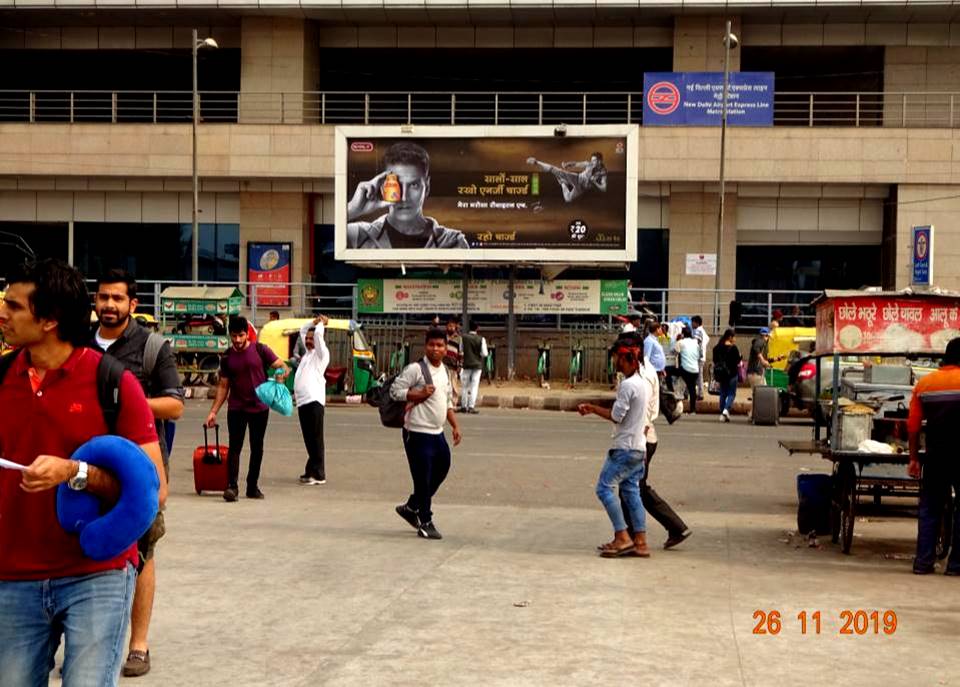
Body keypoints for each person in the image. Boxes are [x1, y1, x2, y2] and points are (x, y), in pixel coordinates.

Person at [0, 259, 165, 686]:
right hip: (13, 576)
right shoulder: (1, 378)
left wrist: (76, 473)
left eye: (14, 306)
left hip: (97, 574)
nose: (3, 314)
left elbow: (153, 490)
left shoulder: (111, 382)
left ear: (50, 320)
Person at [91, 269, 185, 679]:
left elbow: (175, 406)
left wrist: (127, 400)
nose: (109, 305)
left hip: (139, 466)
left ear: (133, 305)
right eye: (103, 297)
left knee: (142, 553)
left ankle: (138, 645)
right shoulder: (77, 343)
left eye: (117, 298)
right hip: (83, 463)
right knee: (79, 547)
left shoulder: (152, 347)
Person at [578, 335, 651, 558]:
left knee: (604, 488)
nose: (615, 363)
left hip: (625, 448)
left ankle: (623, 536)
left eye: (617, 358)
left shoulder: (628, 385)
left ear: (627, 358)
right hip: (639, 447)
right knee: (631, 491)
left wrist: (591, 408)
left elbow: (616, 416)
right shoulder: (643, 382)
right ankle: (640, 541)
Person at [618, 333, 691, 549]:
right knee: (637, 487)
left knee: (629, 489)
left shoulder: (644, 375)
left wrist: (636, 441)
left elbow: (646, 412)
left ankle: (631, 537)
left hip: (642, 438)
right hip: (642, 438)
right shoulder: (641, 372)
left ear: (636, 351)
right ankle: (675, 527)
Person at [205, 316, 289, 502]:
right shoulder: (226, 357)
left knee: (257, 448)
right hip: (236, 408)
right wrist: (213, 412)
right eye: (233, 336)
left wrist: (280, 376)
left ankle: (252, 486)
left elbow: (283, 366)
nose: (237, 340)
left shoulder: (261, 350)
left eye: (241, 335)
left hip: (259, 408)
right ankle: (232, 487)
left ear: (247, 334)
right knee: (235, 447)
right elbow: (223, 386)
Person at [391, 328, 463, 540]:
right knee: (423, 478)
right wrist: (418, 393)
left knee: (443, 467)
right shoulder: (416, 369)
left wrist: (455, 425)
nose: (435, 349)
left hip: (437, 433)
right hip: (417, 432)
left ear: (446, 348)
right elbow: (395, 391)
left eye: (440, 345)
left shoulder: (445, 372)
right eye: (432, 345)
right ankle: (426, 520)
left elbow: (446, 400)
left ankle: (412, 506)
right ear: (426, 346)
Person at [346, 142, 469, 249]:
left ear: (427, 187)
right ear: (383, 188)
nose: (404, 197)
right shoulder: (357, 235)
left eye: (414, 185)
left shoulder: (453, 242)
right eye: (396, 185)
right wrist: (352, 209)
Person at [907, 337, 960, 576]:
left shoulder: (925, 384)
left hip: (935, 456)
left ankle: (923, 563)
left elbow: (913, 426)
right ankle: (956, 565)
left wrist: (913, 459)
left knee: (929, 509)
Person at [295, 315, 330, 486]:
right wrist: (313, 323)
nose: (308, 341)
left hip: (314, 401)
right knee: (309, 439)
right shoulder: (308, 354)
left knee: (316, 439)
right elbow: (302, 330)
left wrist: (321, 324)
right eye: (307, 339)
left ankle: (319, 474)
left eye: (311, 338)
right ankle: (311, 470)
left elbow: (318, 336)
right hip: (303, 402)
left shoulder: (321, 355)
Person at [526, 152, 607, 203]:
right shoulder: (588, 164)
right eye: (592, 160)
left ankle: (563, 183)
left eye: (594, 160)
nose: (592, 162)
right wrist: (567, 164)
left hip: (581, 189)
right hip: (577, 178)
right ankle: (536, 162)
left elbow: (604, 188)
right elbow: (576, 164)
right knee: (557, 171)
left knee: (568, 199)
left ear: (600, 161)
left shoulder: (603, 172)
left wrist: (595, 182)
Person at [712, 329, 742, 423]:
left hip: (721, 374)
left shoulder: (717, 348)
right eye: (734, 337)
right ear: (730, 337)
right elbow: (737, 361)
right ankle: (725, 410)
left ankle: (723, 412)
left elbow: (715, 360)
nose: (735, 339)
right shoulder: (734, 348)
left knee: (723, 393)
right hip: (732, 373)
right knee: (731, 393)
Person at [459, 324, 487, 414]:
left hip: (466, 364)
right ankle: (471, 406)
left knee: (464, 386)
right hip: (477, 365)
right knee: (474, 386)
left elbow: (461, 350)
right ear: (477, 328)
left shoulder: (463, 338)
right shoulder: (481, 339)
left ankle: (463, 406)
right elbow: (484, 353)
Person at [675, 327, 701, 414]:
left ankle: (676, 405)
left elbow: (675, 352)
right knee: (692, 389)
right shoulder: (695, 343)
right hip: (695, 370)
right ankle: (693, 410)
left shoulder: (680, 342)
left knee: (670, 372)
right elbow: (699, 356)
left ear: (683, 334)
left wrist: (677, 340)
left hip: (685, 369)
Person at [443, 316, 462, 406]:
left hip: (453, 365)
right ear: (446, 327)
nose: (451, 328)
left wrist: (460, 365)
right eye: (449, 326)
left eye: (453, 326)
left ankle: (453, 404)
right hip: (442, 365)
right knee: (444, 384)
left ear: (455, 327)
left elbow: (461, 353)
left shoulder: (459, 339)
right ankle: (444, 403)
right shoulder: (442, 337)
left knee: (453, 385)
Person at [691, 315, 709, 400]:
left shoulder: (697, 331)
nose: (691, 324)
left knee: (698, 376)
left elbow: (695, 342)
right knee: (699, 376)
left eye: (693, 322)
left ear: (697, 323)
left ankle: (700, 394)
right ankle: (699, 393)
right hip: (702, 356)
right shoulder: (703, 331)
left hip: (697, 357)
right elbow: (707, 339)